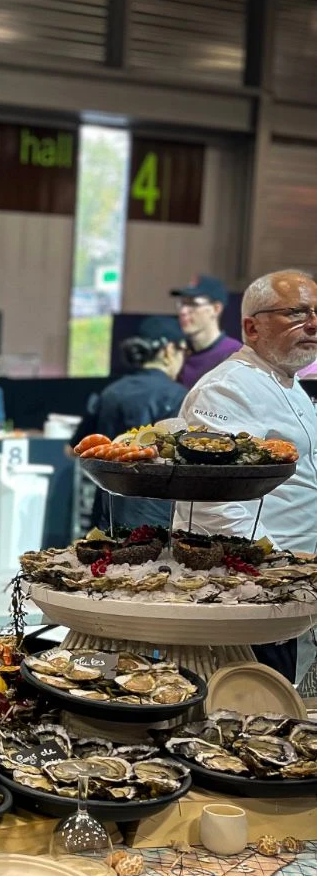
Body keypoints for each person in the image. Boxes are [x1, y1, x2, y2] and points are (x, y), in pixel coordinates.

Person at [176, 269, 317, 682]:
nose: (313, 324)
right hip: (253, 594)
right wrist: (272, 567)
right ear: (251, 327)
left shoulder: (290, 386)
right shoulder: (227, 389)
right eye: (297, 312)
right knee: (244, 716)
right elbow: (213, 501)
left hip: (292, 588)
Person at [74, 316, 186, 530]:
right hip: (157, 520)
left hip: (108, 514)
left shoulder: (111, 392)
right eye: (183, 351)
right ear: (169, 351)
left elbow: (77, 447)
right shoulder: (178, 396)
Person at [172, 274, 241, 387]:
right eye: (182, 303)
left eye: (192, 304)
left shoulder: (234, 355)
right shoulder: (176, 353)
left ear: (216, 309)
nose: (183, 311)